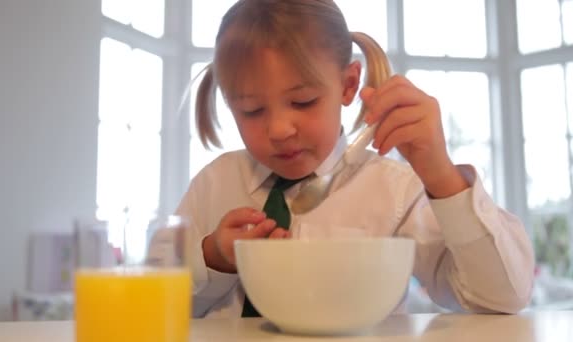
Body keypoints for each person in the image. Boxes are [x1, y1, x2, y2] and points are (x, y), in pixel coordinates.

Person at [149, 0, 534, 318]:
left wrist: (443, 177)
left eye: (303, 101)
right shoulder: (214, 183)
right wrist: (211, 256)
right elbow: (150, 299)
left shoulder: (394, 190)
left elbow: (501, 298)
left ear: (349, 85)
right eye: (251, 110)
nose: (280, 128)